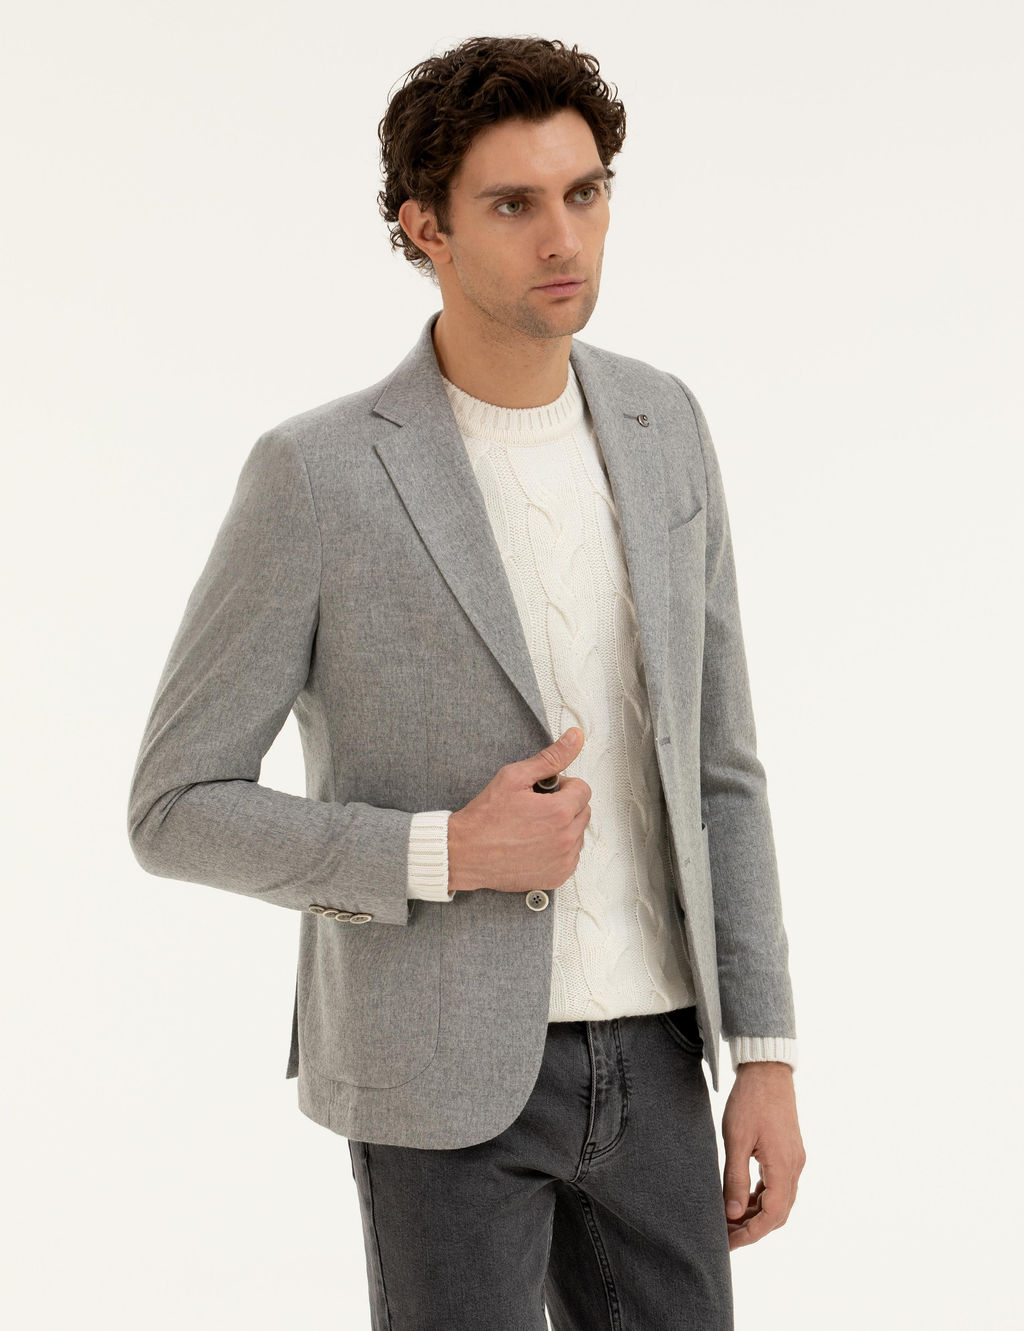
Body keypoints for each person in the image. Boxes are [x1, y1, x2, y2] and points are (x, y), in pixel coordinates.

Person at [127, 34, 805, 1330]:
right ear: (424, 227)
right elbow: (174, 807)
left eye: (586, 192)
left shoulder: (665, 424)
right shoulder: (318, 473)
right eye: (513, 205)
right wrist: (444, 852)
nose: (565, 237)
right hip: (436, 1077)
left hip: (663, 1054)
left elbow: (721, 764)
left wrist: (764, 1053)